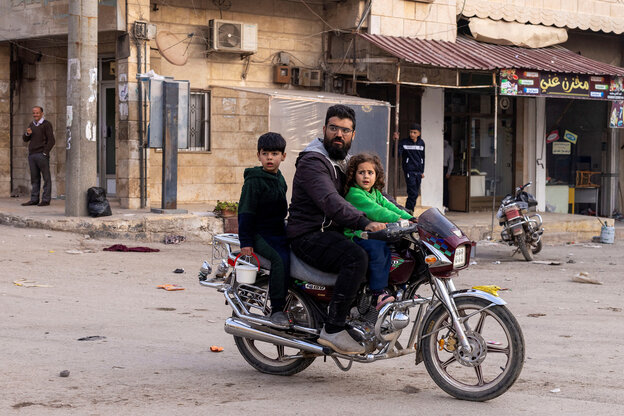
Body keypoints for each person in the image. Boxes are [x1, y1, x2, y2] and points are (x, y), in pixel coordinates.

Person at [287, 104, 386, 355]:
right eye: (334, 128)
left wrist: (408, 218)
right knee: (356, 257)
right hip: (309, 234)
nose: (339, 135)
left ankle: (363, 311)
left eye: (345, 130)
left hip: (332, 232)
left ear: (353, 135)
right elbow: (330, 201)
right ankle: (333, 328)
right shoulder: (313, 161)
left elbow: (375, 196)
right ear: (324, 130)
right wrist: (364, 222)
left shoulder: (344, 162)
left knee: (382, 250)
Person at [343, 153, 414, 310]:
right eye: (361, 172)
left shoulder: (375, 192)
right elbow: (377, 212)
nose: (366, 176)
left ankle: (396, 285)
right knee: (378, 251)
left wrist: (411, 218)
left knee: (394, 250)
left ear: (377, 175)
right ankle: (377, 293)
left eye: (370, 173)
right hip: (357, 235)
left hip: (373, 234)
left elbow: (389, 206)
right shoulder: (355, 194)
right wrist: (399, 220)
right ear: (353, 175)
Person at [237, 132, 291, 328]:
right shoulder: (254, 181)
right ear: (258, 155)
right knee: (280, 259)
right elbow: (245, 212)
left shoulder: (280, 178)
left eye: (275, 153)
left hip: (278, 229)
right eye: (265, 153)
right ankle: (277, 308)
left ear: (283, 156)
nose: (270, 158)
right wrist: (246, 242)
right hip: (260, 233)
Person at [22, 106, 55, 206]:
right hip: (32, 155)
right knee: (34, 178)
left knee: (46, 178)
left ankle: (45, 200)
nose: (35, 114)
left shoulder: (46, 124)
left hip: (42, 155)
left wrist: (45, 152)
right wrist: (27, 134)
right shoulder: (32, 124)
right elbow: (25, 139)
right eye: (34, 113)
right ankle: (34, 199)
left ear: (42, 113)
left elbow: (52, 141)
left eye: (37, 113)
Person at [393, 123, 425, 212]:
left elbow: (423, 158)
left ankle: (409, 211)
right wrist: (396, 142)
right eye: (411, 132)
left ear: (419, 133)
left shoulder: (421, 143)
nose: (412, 134)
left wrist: (422, 171)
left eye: (414, 132)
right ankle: (409, 212)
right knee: (412, 193)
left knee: (414, 194)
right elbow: (395, 154)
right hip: (409, 171)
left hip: (418, 172)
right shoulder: (404, 142)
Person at [443, 139, 454, 211]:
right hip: (444, 168)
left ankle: (445, 204)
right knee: (444, 187)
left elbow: (451, 161)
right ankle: (445, 204)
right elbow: (451, 162)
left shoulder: (449, 148)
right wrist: (449, 172)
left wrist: (448, 172)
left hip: (444, 168)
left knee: (444, 187)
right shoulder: (450, 148)